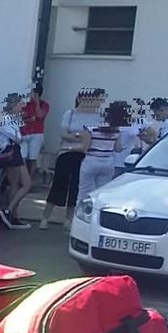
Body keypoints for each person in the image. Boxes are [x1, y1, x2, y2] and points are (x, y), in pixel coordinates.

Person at [40, 87, 104, 230]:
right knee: (58, 184)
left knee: (76, 186)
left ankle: (68, 219)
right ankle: (45, 217)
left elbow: (96, 136)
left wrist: (79, 136)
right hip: (66, 152)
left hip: (85, 154)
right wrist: (81, 136)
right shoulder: (70, 113)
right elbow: (64, 133)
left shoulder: (99, 116)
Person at [0, 93, 32, 230]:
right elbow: (17, 137)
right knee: (17, 184)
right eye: (20, 104)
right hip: (10, 152)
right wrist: (22, 135)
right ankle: (9, 212)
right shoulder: (4, 119)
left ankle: (12, 214)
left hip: (15, 151)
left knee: (22, 184)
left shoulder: (12, 118)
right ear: (14, 105)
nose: (22, 107)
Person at [79, 100, 132, 198]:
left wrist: (70, 148)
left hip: (91, 160)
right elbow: (118, 148)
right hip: (108, 162)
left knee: (84, 192)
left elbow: (84, 148)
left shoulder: (91, 127)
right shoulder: (118, 130)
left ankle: (81, 212)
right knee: (101, 192)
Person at [20, 84, 50, 177]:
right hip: (24, 133)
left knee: (33, 159)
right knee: (22, 157)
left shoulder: (44, 105)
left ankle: (30, 179)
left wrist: (37, 103)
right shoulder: (24, 104)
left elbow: (40, 115)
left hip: (37, 133)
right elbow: (20, 116)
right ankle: (23, 179)